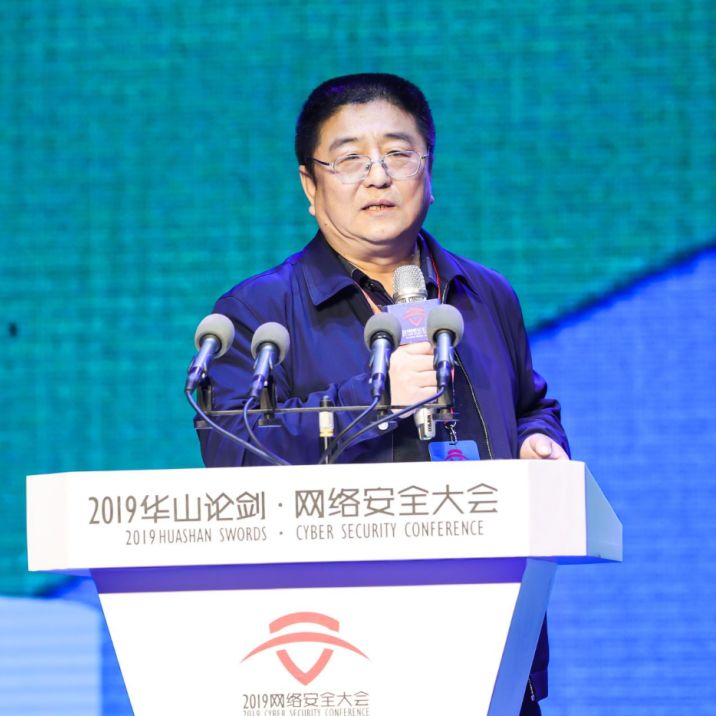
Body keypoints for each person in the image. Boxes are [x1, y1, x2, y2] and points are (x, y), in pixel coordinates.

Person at [197, 73, 570, 714]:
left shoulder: (485, 295)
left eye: (399, 154)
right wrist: (372, 402)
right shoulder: (257, 313)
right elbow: (231, 446)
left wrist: (539, 439)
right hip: (342, 649)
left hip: (494, 639)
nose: (378, 176)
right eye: (349, 159)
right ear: (310, 186)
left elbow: (531, 404)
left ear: (430, 170)